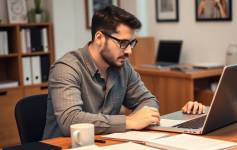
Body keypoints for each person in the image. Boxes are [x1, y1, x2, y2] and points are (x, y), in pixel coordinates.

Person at [43, 6, 205, 139]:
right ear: (99, 38)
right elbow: (70, 121)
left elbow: (148, 101)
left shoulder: (122, 67)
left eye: (131, 43)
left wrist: (144, 116)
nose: (129, 51)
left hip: (107, 143)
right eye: (122, 43)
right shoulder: (66, 68)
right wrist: (128, 122)